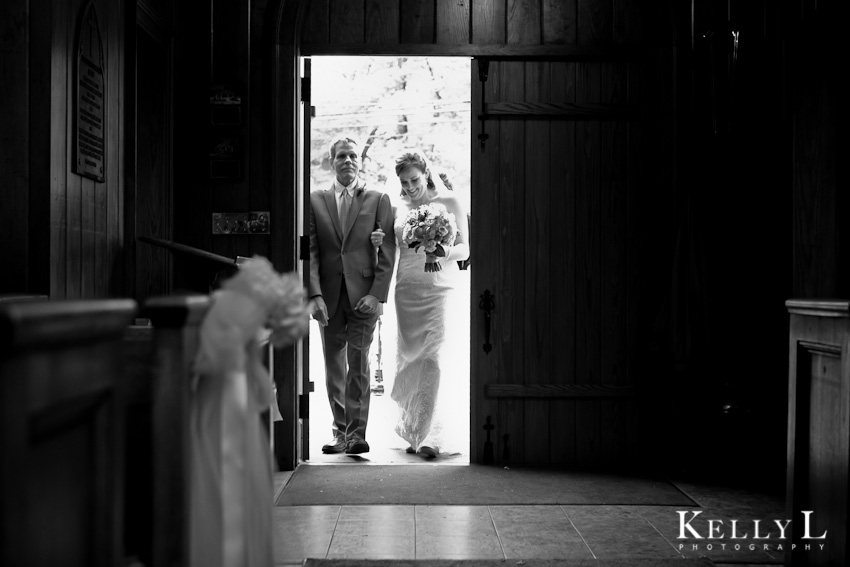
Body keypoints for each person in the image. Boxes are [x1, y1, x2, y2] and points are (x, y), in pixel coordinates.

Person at [371, 149, 470, 458]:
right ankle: (413, 430)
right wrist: (376, 239)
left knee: (434, 359)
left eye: (414, 180)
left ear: (426, 174)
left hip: (441, 289)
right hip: (407, 290)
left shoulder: (449, 202)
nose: (410, 187)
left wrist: (444, 252)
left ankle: (433, 434)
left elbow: (465, 249)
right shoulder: (397, 205)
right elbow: (387, 244)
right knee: (410, 360)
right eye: (404, 181)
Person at [309, 136, 396, 455]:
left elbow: (387, 249)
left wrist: (377, 294)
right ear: (331, 162)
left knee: (358, 364)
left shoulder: (377, 198)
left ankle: (357, 434)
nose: (347, 161)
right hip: (328, 298)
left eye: (353, 156)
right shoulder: (315, 200)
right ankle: (339, 432)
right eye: (341, 156)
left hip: (364, 296)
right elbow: (311, 251)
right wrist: (314, 295)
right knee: (333, 368)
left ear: (360, 162)